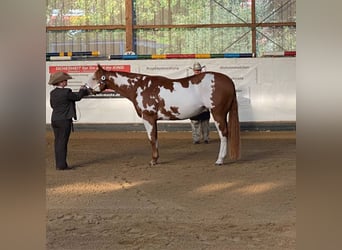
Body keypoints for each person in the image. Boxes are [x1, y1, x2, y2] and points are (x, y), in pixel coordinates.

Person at [48, 71, 89, 170]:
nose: (66, 82)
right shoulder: (66, 92)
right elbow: (77, 97)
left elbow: (52, 105)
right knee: (63, 142)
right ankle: (62, 165)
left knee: (58, 142)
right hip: (64, 120)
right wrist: (83, 90)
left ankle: (60, 164)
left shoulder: (53, 93)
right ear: (61, 82)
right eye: (65, 80)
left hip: (55, 119)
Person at [190, 62, 211, 144]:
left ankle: (206, 138)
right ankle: (196, 139)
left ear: (201, 70)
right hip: (194, 104)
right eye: (196, 70)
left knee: (205, 122)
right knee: (195, 122)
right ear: (193, 70)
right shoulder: (190, 80)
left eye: (198, 70)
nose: (197, 72)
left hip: (204, 104)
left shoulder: (205, 80)